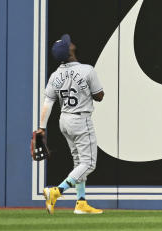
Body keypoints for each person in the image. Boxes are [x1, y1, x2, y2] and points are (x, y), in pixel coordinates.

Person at [38, 34, 105, 215]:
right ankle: (56, 191)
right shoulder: (87, 70)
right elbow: (99, 96)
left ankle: (81, 203)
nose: (71, 43)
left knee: (78, 162)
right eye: (69, 44)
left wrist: (41, 127)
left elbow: (48, 102)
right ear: (69, 52)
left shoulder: (55, 75)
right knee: (89, 163)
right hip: (80, 119)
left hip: (64, 120)